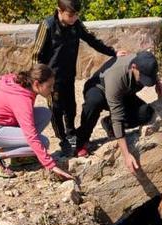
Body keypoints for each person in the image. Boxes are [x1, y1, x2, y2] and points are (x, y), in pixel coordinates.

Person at [32, 0, 127, 153]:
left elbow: (92, 40)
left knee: (70, 108)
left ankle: (71, 135)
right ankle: (62, 138)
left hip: (68, 75)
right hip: (50, 78)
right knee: (56, 109)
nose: (74, 18)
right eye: (70, 15)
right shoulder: (47, 26)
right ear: (59, 11)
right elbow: (36, 55)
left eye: (76, 15)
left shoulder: (76, 25)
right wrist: (39, 79)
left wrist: (113, 52)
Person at [0, 64, 74, 180]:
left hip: (4, 123)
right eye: (49, 86)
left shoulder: (26, 85)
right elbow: (31, 136)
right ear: (36, 84)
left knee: (45, 113)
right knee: (43, 142)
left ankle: (19, 157)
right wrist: (51, 165)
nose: (52, 89)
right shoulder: (21, 99)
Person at [74, 51, 162, 172]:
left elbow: (151, 73)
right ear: (134, 67)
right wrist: (126, 155)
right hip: (100, 89)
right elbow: (117, 115)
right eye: (143, 78)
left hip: (124, 92)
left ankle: (109, 124)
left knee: (146, 113)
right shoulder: (116, 77)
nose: (145, 81)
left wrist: (159, 83)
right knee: (94, 102)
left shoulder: (144, 63)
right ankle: (80, 141)